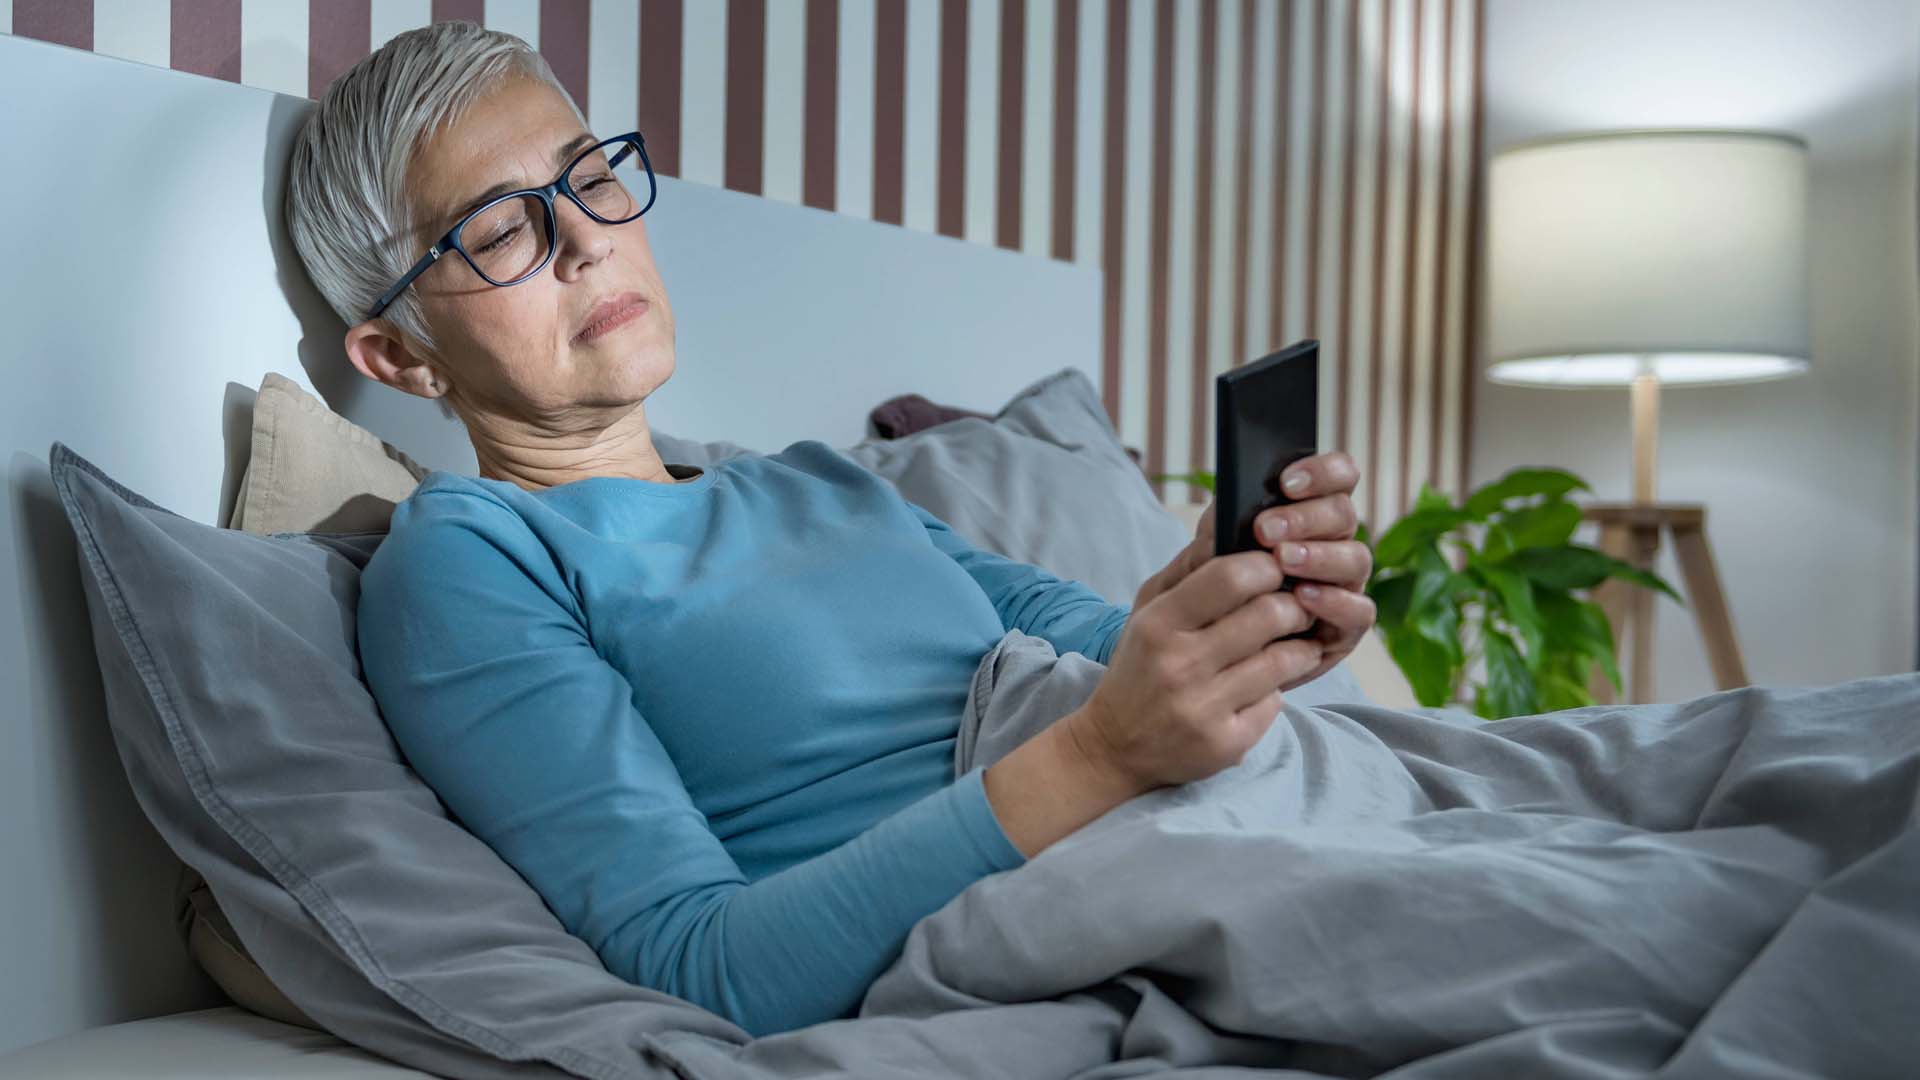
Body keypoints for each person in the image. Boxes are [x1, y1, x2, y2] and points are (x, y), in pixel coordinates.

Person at [286, 21, 1376, 1038]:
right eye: (496, 230)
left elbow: (1102, 647)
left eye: (591, 178)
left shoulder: (808, 483)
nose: (584, 240)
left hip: (1228, 807)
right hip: (1078, 880)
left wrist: (1245, 609)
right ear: (400, 357)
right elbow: (700, 964)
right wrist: (1104, 750)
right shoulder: (473, 558)